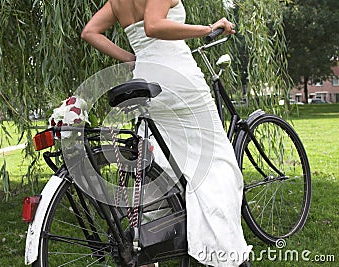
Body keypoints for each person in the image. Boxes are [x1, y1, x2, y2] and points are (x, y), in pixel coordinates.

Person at [81, 0, 252, 266]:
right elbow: (154, 25)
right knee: (215, 163)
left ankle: (151, 250)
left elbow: (89, 32)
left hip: (146, 77)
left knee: (159, 164)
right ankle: (223, 254)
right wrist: (207, 29)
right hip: (177, 78)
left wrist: (132, 59)